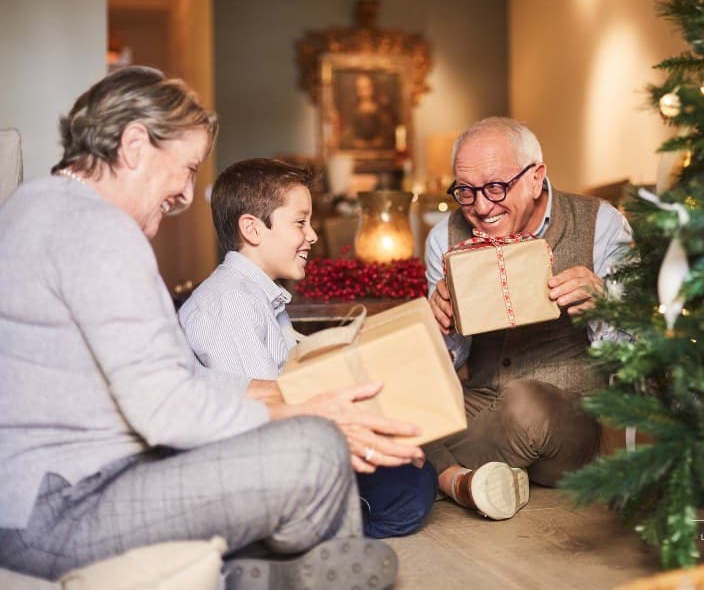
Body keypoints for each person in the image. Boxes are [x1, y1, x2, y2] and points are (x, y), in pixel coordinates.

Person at [0, 66, 422, 590]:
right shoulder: (96, 229)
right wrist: (301, 413)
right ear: (135, 145)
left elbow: (170, 377)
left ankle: (271, 572)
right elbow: (167, 410)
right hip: (63, 507)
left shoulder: (34, 206)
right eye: (186, 168)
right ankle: (289, 573)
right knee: (315, 447)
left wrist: (278, 396)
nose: (184, 194)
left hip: (49, 497)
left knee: (312, 436)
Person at [178, 157, 438, 538]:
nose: (312, 235)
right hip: (254, 469)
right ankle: (303, 530)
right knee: (406, 491)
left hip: (284, 450)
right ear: (252, 229)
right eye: (300, 223)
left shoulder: (258, 296)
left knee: (412, 465)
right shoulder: (228, 302)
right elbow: (267, 417)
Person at [424, 117, 633, 520]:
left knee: (523, 402)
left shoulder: (602, 225)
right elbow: (442, 372)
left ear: (536, 178)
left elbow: (636, 358)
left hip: (570, 418)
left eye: (496, 187)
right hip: (483, 405)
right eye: (466, 192)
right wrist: (442, 325)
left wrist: (605, 306)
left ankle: (441, 475)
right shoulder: (443, 237)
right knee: (386, 403)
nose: (481, 207)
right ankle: (471, 480)